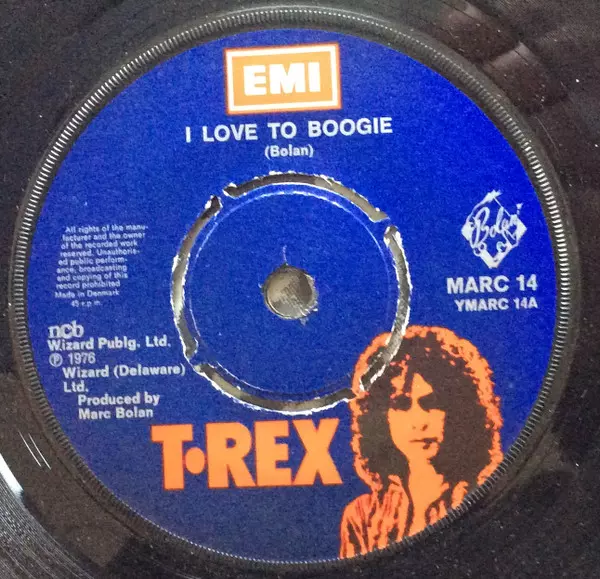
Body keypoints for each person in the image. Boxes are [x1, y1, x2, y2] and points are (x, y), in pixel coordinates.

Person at [340, 326, 503, 558]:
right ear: (380, 416)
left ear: (460, 409)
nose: (418, 422)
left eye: (432, 403)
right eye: (401, 405)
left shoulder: (489, 497)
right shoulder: (362, 517)